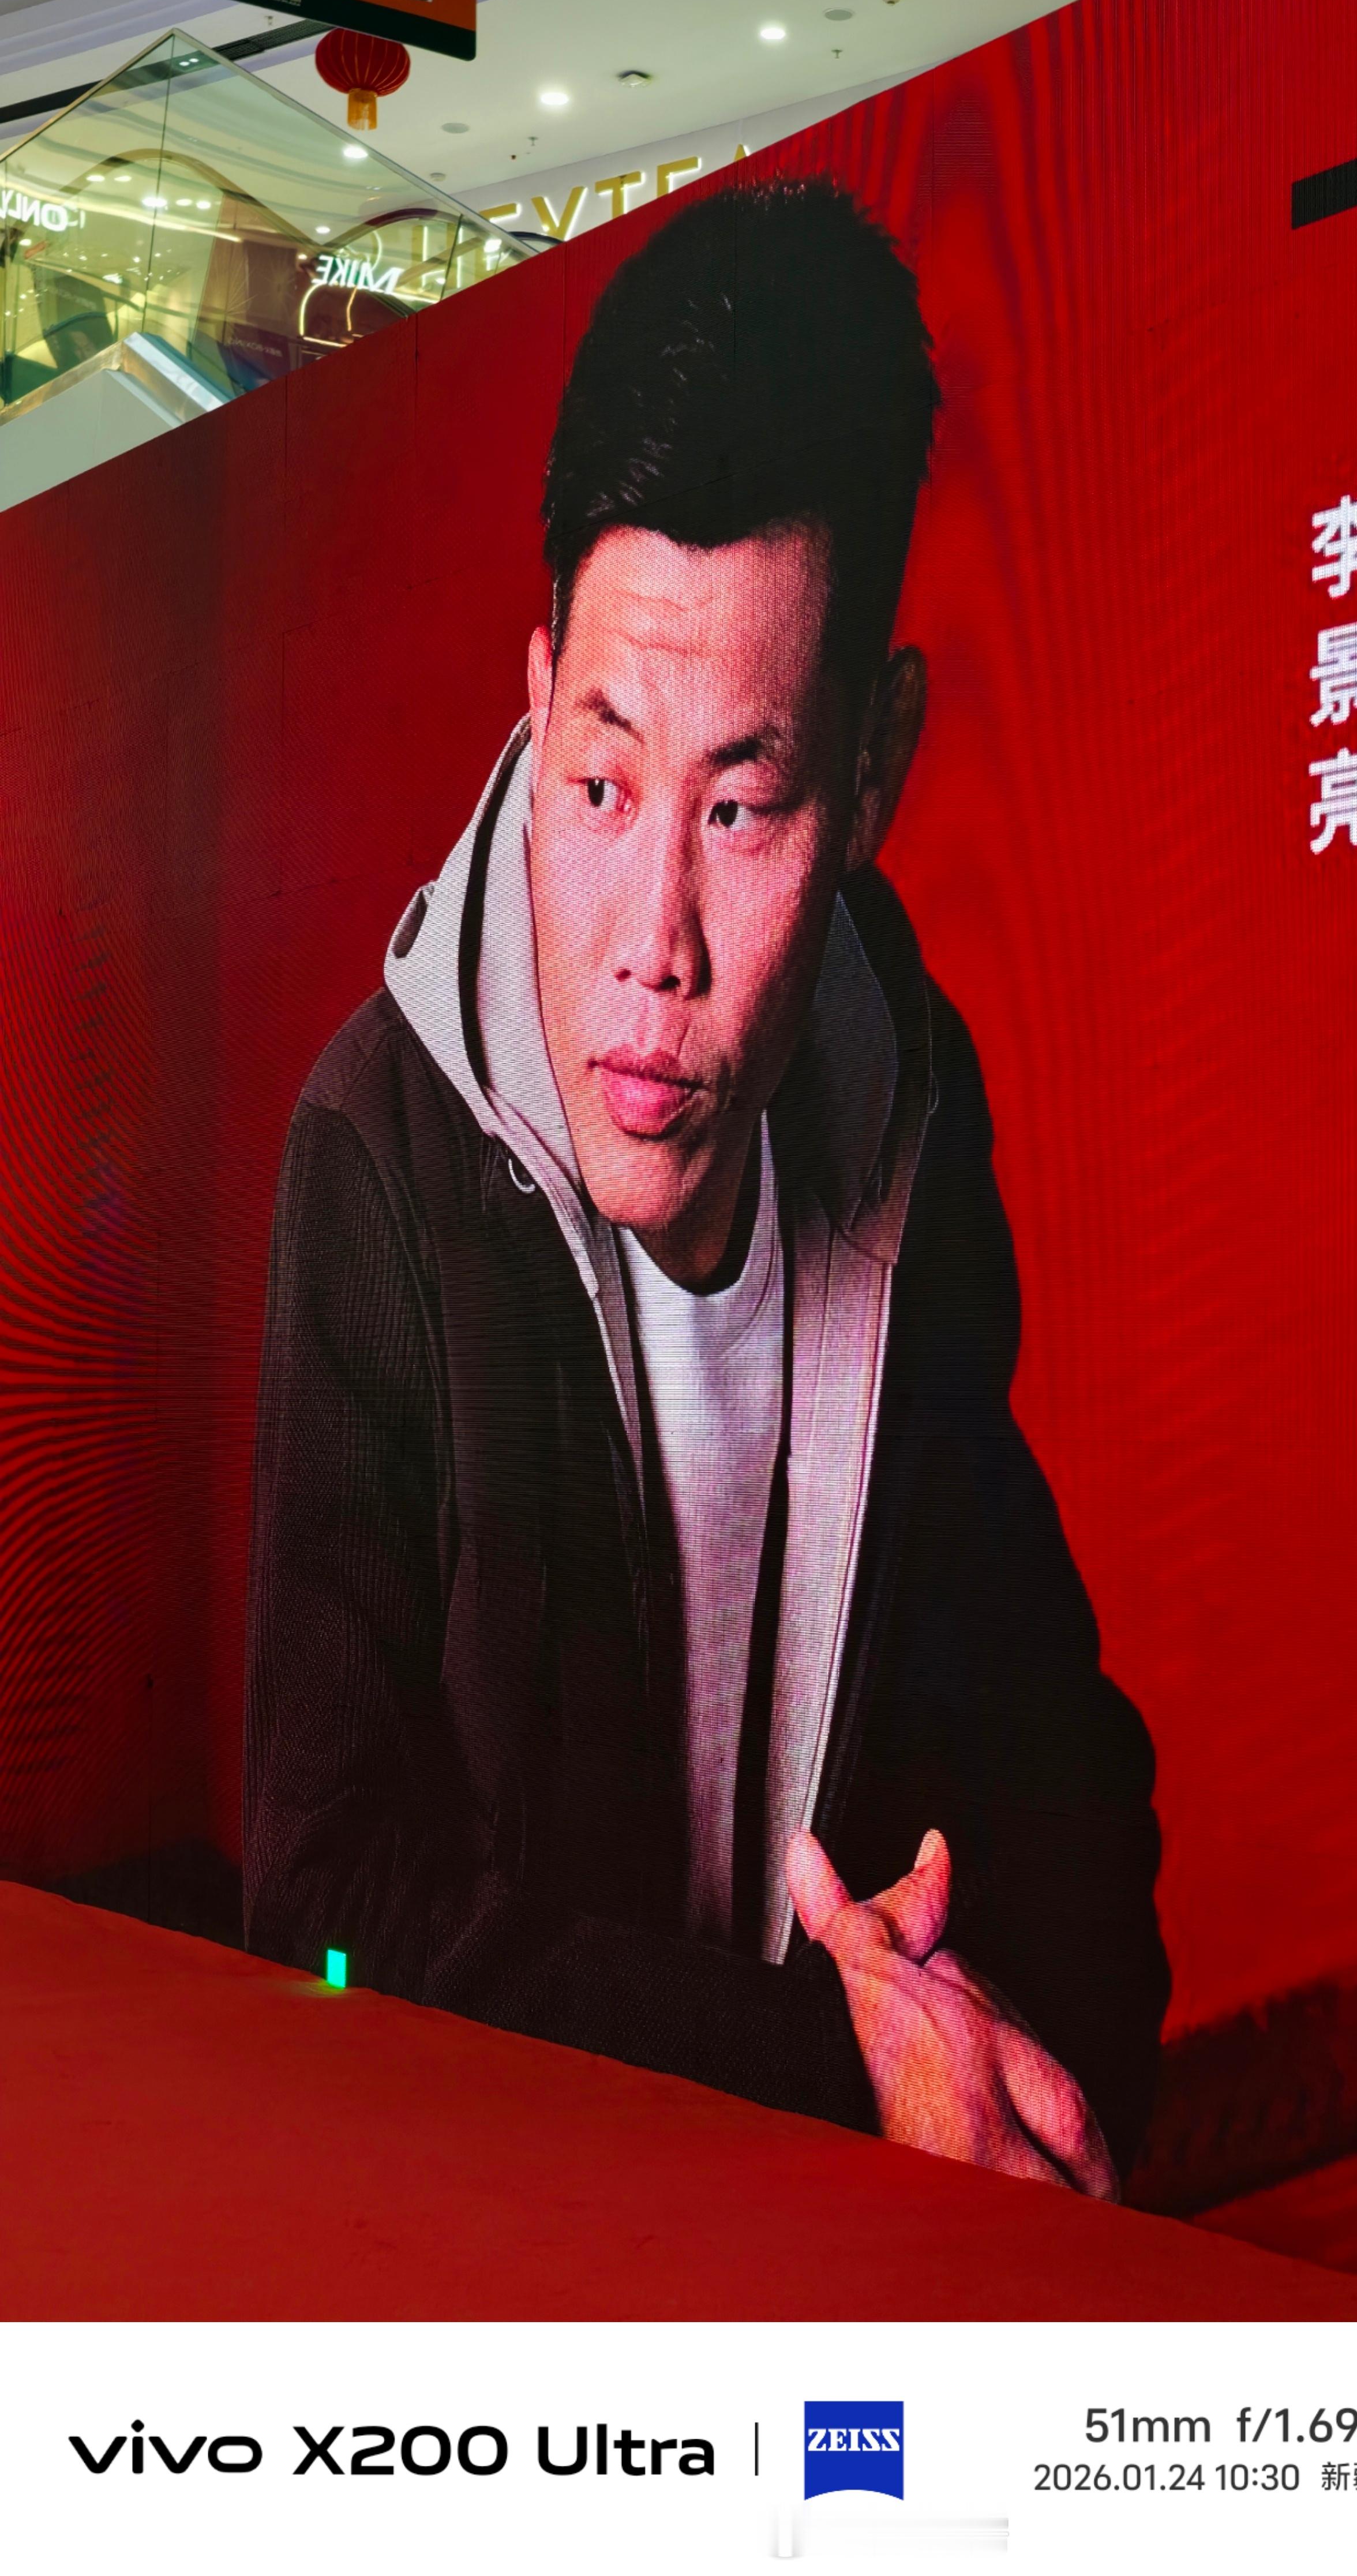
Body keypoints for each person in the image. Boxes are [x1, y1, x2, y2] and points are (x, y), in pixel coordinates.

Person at [243, 178, 1169, 2193]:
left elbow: (1053, 1750)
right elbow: (330, 1916)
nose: (649, 942)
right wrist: (841, 2065)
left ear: (877, 770)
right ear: (536, 695)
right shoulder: (382, 1161)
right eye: (599, 784)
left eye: (743, 807)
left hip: (843, 2264)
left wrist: (1028, 2082)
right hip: (500, 2256)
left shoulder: (906, 1115)